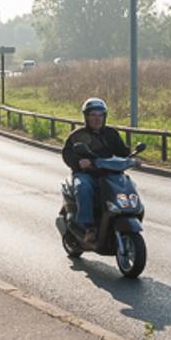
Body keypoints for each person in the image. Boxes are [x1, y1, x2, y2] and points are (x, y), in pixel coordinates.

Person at [62, 97, 131, 245]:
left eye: (100, 115)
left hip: (108, 173)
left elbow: (122, 151)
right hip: (86, 174)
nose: (96, 118)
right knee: (83, 187)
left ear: (104, 116)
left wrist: (132, 158)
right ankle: (89, 227)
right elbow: (67, 153)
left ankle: (127, 213)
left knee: (126, 183)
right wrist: (79, 162)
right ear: (86, 117)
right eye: (93, 115)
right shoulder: (77, 135)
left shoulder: (111, 133)